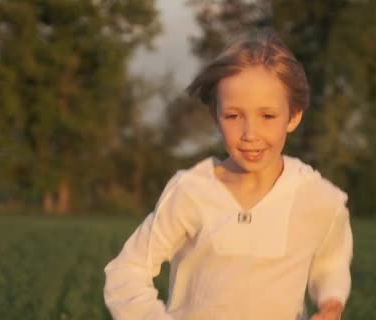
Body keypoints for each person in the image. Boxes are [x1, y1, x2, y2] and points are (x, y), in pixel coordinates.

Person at [104, 28, 353, 320]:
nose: (250, 134)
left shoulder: (319, 198)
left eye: (267, 116)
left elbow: (331, 259)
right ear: (216, 116)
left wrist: (331, 303)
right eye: (234, 116)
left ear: (294, 115)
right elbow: (127, 269)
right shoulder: (191, 191)